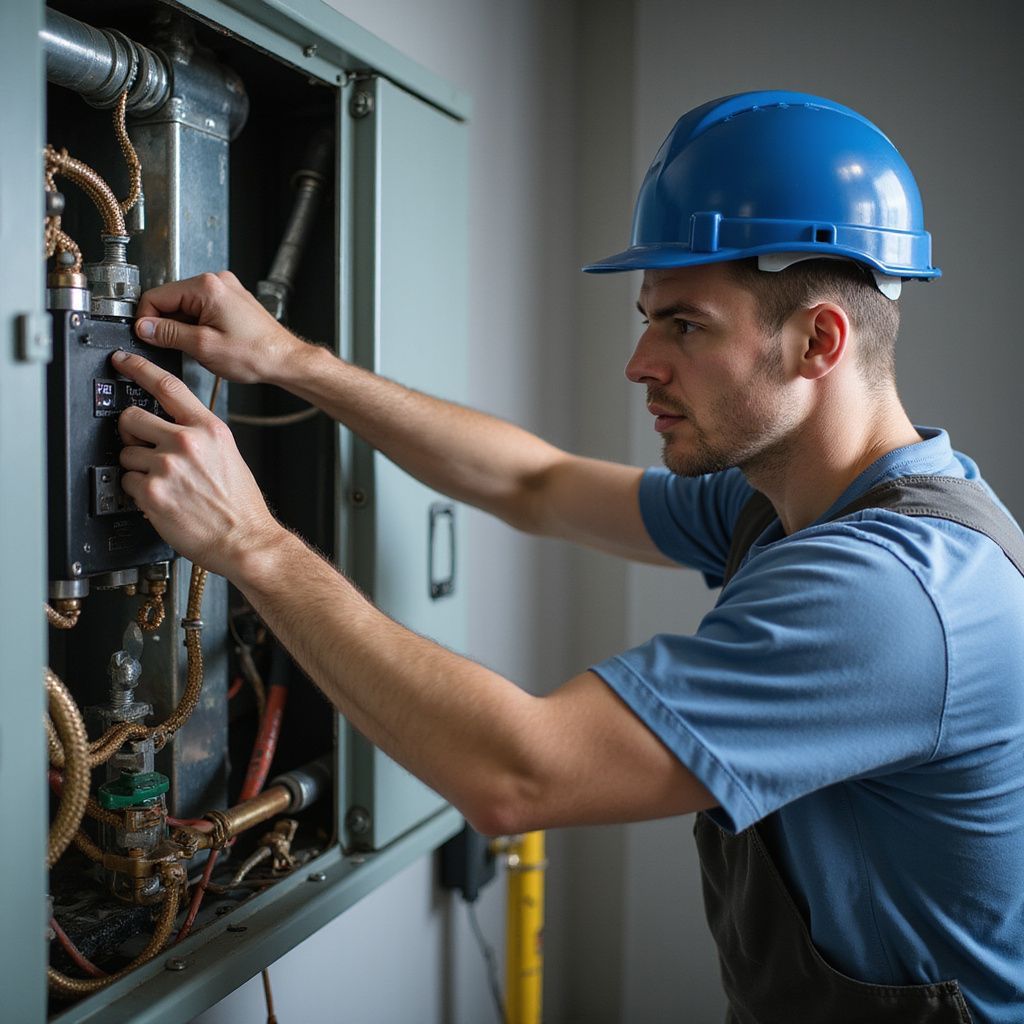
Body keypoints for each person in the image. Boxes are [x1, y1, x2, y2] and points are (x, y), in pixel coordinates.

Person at [111, 91, 1023, 1022]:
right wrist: (293, 361)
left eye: (685, 325)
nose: (639, 362)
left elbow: (521, 774)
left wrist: (251, 546)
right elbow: (533, 483)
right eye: (647, 318)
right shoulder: (789, 500)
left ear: (817, 340)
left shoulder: (895, 593)